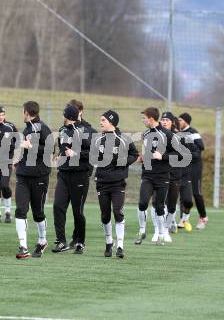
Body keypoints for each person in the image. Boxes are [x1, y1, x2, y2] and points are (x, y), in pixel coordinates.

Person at [94, 110, 138, 258]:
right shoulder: (98, 139)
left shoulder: (124, 139)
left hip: (118, 182)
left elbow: (134, 154)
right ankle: (108, 243)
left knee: (118, 212)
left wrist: (123, 161)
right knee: (105, 215)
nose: (100, 122)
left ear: (111, 122)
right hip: (101, 182)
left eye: (103, 120)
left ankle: (120, 246)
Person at [52, 105, 92, 255]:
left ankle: (80, 241)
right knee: (58, 206)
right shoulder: (63, 130)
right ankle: (61, 241)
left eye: (64, 115)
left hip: (79, 174)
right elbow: (62, 148)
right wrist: (59, 156)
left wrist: (76, 153)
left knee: (77, 211)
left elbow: (93, 153)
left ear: (68, 116)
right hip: (63, 174)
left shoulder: (87, 131)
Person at [14, 101, 52, 259]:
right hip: (23, 176)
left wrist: (31, 147)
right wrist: (18, 161)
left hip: (39, 176)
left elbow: (51, 149)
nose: (22, 114)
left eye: (23, 111)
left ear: (27, 112)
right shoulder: (27, 128)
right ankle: (23, 246)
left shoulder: (43, 128)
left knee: (38, 212)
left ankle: (42, 240)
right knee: (21, 210)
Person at [134, 107, 177, 246]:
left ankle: (160, 233)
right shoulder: (146, 133)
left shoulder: (167, 135)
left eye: (144, 118)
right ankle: (142, 230)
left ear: (151, 119)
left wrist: (163, 156)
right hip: (147, 175)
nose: (143, 120)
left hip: (162, 176)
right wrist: (142, 158)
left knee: (159, 206)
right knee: (142, 203)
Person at [178, 113, 208, 229]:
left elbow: (201, 147)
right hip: (184, 167)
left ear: (186, 121)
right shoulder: (179, 133)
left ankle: (203, 217)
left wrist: (188, 152)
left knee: (196, 193)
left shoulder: (193, 132)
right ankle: (183, 219)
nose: (178, 122)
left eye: (180, 120)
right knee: (184, 193)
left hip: (195, 167)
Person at [0, 106, 18, 223]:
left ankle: (8, 211)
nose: (1, 117)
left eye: (2, 115)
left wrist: (14, 157)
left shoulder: (10, 127)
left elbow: (18, 142)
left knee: (4, 186)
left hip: (6, 162)